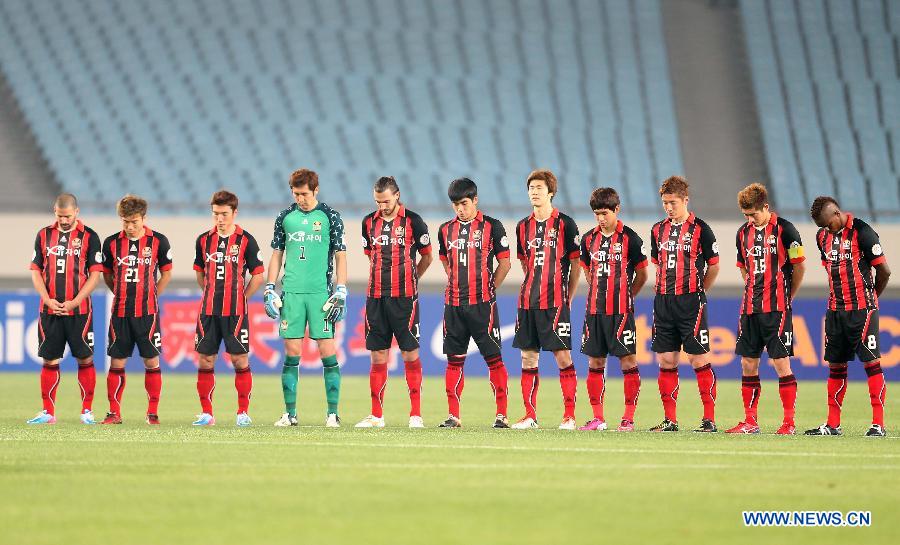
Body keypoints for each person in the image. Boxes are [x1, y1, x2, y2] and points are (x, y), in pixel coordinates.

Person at [265, 169, 348, 428]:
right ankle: (290, 414)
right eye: (296, 194)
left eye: (304, 194)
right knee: (291, 352)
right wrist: (270, 287)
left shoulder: (330, 217)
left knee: (327, 351)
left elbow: (340, 255)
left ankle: (332, 414)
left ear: (315, 190)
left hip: (320, 294)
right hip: (292, 293)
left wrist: (341, 289)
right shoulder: (285, 217)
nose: (300, 198)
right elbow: (277, 254)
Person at [805, 196, 890, 437]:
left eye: (826, 224)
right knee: (836, 365)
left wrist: (872, 298)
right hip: (835, 310)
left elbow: (884, 271)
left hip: (862, 310)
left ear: (836, 214)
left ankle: (878, 424)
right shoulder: (822, 237)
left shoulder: (863, 232)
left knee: (871, 364)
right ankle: (833, 424)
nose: (824, 229)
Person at [726, 183, 805, 435]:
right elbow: (742, 267)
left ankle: (789, 423)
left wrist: (787, 296)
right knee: (748, 364)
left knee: (781, 363)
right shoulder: (742, 233)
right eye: (746, 215)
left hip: (778, 308)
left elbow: (799, 266)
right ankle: (750, 421)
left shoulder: (786, 229)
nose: (750, 219)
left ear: (766, 207)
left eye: (754, 214)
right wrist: (754, 288)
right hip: (749, 308)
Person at [356, 176, 433, 428]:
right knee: (378, 354)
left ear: (397, 195)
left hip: (405, 298)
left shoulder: (414, 221)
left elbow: (427, 256)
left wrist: (412, 278)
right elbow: (371, 256)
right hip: (376, 297)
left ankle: (416, 414)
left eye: (386, 201)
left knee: (409, 353)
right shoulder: (368, 222)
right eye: (378, 202)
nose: (382, 206)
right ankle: (376, 415)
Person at [436, 178, 512, 428]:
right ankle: (453, 415)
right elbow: (445, 260)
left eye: (464, 203)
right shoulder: (445, 230)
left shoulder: (493, 226)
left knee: (494, 359)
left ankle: (501, 415)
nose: (460, 209)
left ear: (475, 200)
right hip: (454, 305)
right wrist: (455, 280)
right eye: (456, 204)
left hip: (483, 305)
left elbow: (505, 263)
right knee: (454, 360)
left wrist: (490, 289)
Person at [510, 169, 581, 430]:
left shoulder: (565, 224)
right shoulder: (522, 226)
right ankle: (530, 415)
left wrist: (568, 295)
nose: (535, 192)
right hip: (528, 302)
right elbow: (524, 263)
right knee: (528, 359)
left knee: (562, 357)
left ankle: (569, 416)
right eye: (531, 188)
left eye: (539, 187)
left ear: (550, 192)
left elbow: (576, 264)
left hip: (555, 302)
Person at [648, 176, 720, 432]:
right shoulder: (657, 230)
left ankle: (709, 419)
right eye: (665, 203)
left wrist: (699, 292)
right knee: (667, 360)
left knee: (698, 359)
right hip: (664, 302)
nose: (669, 207)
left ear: (685, 200)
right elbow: (657, 264)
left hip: (691, 302)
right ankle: (670, 420)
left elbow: (714, 266)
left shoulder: (701, 229)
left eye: (673, 202)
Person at [27, 193, 103, 424]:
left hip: (79, 311)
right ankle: (48, 412)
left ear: (77, 212)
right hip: (49, 310)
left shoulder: (89, 236)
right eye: (60, 216)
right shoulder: (43, 235)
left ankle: (87, 411)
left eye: (68, 216)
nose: (64, 220)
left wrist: (76, 301)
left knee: (85, 358)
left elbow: (96, 274)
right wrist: (47, 299)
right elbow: (35, 271)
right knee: (50, 360)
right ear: (55, 212)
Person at [577, 187, 648, 432]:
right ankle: (598, 418)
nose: (600, 218)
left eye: (605, 213)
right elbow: (587, 271)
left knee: (628, 361)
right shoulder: (588, 239)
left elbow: (642, 274)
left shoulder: (631, 238)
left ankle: (628, 418)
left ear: (617, 210)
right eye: (597, 213)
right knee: (595, 362)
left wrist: (627, 296)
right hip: (594, 311)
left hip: (621, 312)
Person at [191, 190, 265, 426]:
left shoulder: (246, 240)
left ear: (235, 212)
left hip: (235, 311)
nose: (220, 219)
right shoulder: (203, 240)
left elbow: (258, 275)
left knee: (239, 360)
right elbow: (200, 272)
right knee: (205, 360)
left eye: (224, 214)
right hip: (208, 311)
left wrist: (243, 298)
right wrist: (209, 292)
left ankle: (243, 412)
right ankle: (207, 413)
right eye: (215, 214)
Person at [99, 195, 173, 425]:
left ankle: (152, 413)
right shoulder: (111, 243)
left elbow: (166, 274)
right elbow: (107, 275)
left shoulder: (159, 241)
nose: (130, 227)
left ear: (144, 218)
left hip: (147, 313)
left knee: (151, 362)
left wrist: (151, 296)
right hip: (120, 313)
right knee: (117, 363)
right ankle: (114, 412)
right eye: (125, 221)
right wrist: (120, 292)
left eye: (134, 221)